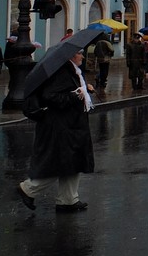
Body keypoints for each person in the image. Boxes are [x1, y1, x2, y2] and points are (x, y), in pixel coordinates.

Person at [17, 47, 94, 213]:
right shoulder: (61, 73)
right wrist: (75, 95)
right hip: (61, 126)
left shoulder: (74, 71)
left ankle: (68, 200)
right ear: (70, 55)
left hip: (73, 124)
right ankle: (28, 189)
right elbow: (52, 97)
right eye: (79, 53)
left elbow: (71, 90)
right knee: (60, 162)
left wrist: (85, 88)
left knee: (73, 162)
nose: (82, 55)